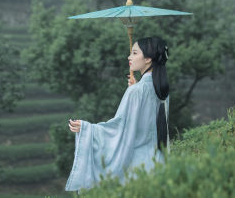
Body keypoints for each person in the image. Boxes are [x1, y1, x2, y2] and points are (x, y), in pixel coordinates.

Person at [65, 36, 170, 193]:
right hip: (157, 164)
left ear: (148, 59)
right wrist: (137, 86)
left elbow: (120, 128)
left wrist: (87, 128)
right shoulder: (162, 90)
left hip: (137, 169)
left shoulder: (136, 91)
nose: (129, 57)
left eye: (134, 53)